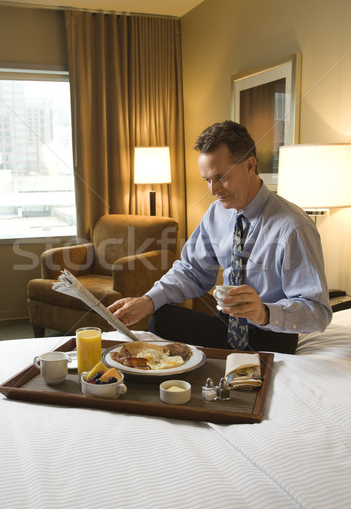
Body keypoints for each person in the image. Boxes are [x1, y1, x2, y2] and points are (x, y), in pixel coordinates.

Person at [108, 120, 332, 354]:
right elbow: (192, 271)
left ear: (249, 165)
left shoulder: (293, 227)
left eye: (221, 177)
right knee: (160, 318)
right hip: (228, 323)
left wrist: (264, 312)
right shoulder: (217, 213)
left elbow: (317, 311)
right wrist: (148, 300)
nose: (213, 190)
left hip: (270, 333)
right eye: (207, 180)